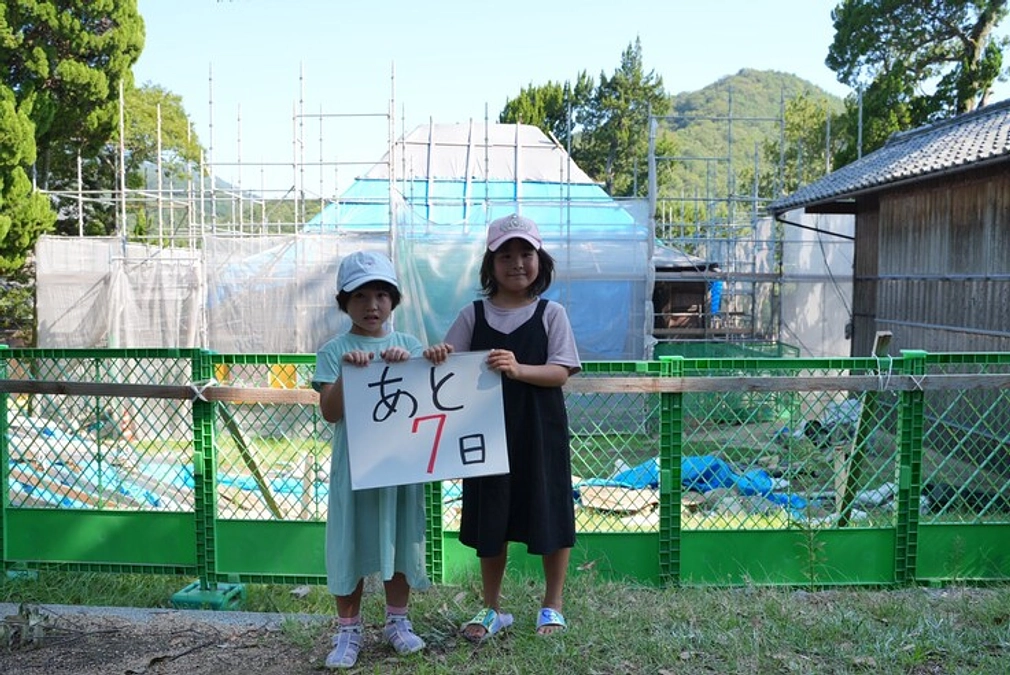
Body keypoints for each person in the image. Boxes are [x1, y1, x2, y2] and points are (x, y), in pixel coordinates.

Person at [443, 213, 581, 640]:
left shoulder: (551, 314)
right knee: (493, 516)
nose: (517, 263)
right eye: (505, 255)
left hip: (540, 433)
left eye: (526, 253)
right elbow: (449, 361)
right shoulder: (472, 314)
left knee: (551, 511)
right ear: (490, 265)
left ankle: (552, 604)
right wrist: (437, 353)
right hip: (485, 438)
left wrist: (519, 370)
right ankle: (491, 608)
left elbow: (561, 371)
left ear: (541, 260)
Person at [312, 250, 452, 669]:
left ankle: (398, 622)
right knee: (348, 543)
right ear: (344, 302)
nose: (371, 306)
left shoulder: (407, 344)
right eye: (359, 297)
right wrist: (347, 375)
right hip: (354, 468)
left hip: (399, 468)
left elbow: (430, 393)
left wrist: (430, 357)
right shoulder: (334, 350)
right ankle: (348, 630)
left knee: (400, 540)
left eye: (381, 295)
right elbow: (330, 411)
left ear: (393, 300)